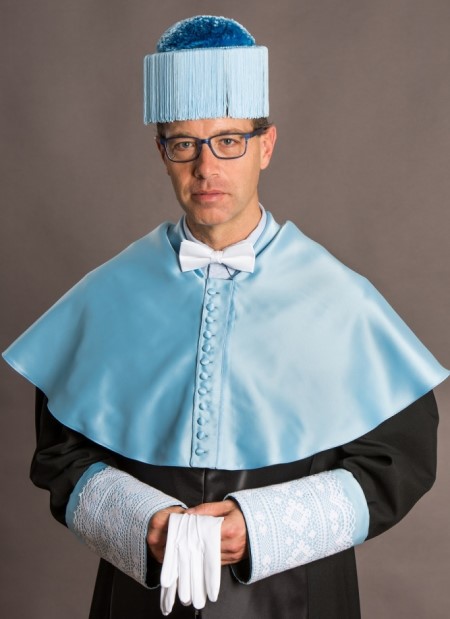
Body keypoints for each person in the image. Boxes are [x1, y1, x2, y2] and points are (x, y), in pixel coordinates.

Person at [3, 15, 449, 619]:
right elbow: (60, 457)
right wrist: (143, 523)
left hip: (299, 598)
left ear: (266, 146)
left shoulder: (340, 299)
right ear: (162, 153)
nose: (206, 168)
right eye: (184, 143)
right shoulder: (107, 296)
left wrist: (260, 527)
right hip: (142, 597)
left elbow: (400, 461)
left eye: (229, 141)